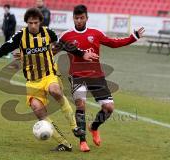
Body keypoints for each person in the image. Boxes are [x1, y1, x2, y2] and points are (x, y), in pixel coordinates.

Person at [0, 8, 98, 152]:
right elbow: (3, 49)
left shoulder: (48, 32)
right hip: (32, 81)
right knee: (38, 110)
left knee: (56, 91)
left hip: (49, 75)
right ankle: (64, 143)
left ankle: (75, 127)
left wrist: (82, 54)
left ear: (40, 22)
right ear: (26, 23)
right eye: (30, 23)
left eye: (35, 22)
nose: (33, 25)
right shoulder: (20, 36)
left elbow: (65, 45)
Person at [59, 4, 145, 152]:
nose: (79, 20)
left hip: (96, 76)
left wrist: (133, 37)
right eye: (76, 18)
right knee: (80, 105)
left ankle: (93, 127)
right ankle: (83, 141)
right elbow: (51, 50)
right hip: (77, 76)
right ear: (73, 18)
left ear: (87, 18)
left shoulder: (96, 33)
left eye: (82, 18)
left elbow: (113, 43)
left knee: (109, 108)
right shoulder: (65, 36)